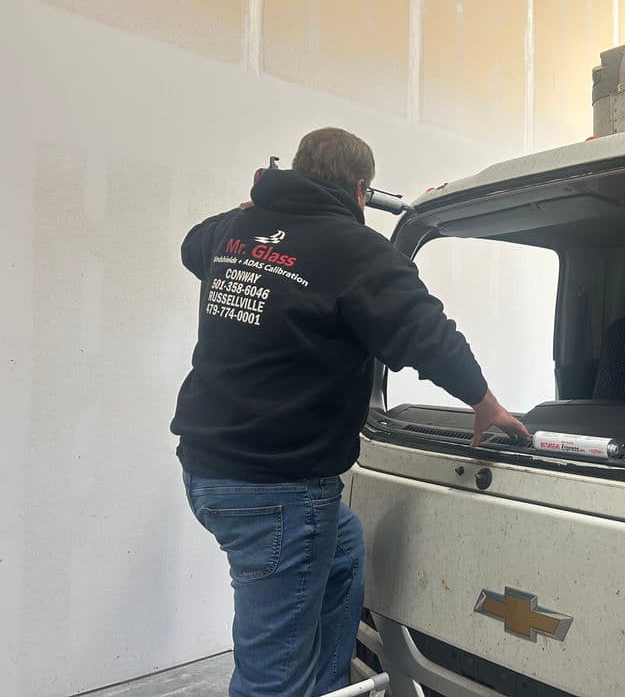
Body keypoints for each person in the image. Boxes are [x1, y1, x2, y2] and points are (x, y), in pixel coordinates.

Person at [171, 127, 529, 697]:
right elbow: (425, 332)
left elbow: (193, 246)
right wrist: (484, 404)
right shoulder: (354, 250)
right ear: (360, 189)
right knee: (272, 673)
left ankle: (329, 687)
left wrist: (252, 212)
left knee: (342, 550)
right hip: (277, 490)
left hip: (209, 470)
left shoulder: (233, 230)